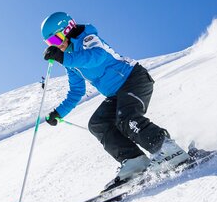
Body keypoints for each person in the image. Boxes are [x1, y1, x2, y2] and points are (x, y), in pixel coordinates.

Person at [40, 11, 192, 190]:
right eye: (50, 44)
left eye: (55, 41)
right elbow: (76, 90)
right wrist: (58, 113)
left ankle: (167, 150)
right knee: (98, 123)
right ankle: (135, 162)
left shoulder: (87, 38)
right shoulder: (71, 62)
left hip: (134, 79)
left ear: (67, 29)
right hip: (116, 94)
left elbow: (97, 56)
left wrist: (64, 58)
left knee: (126, 117)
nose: (55, 46)